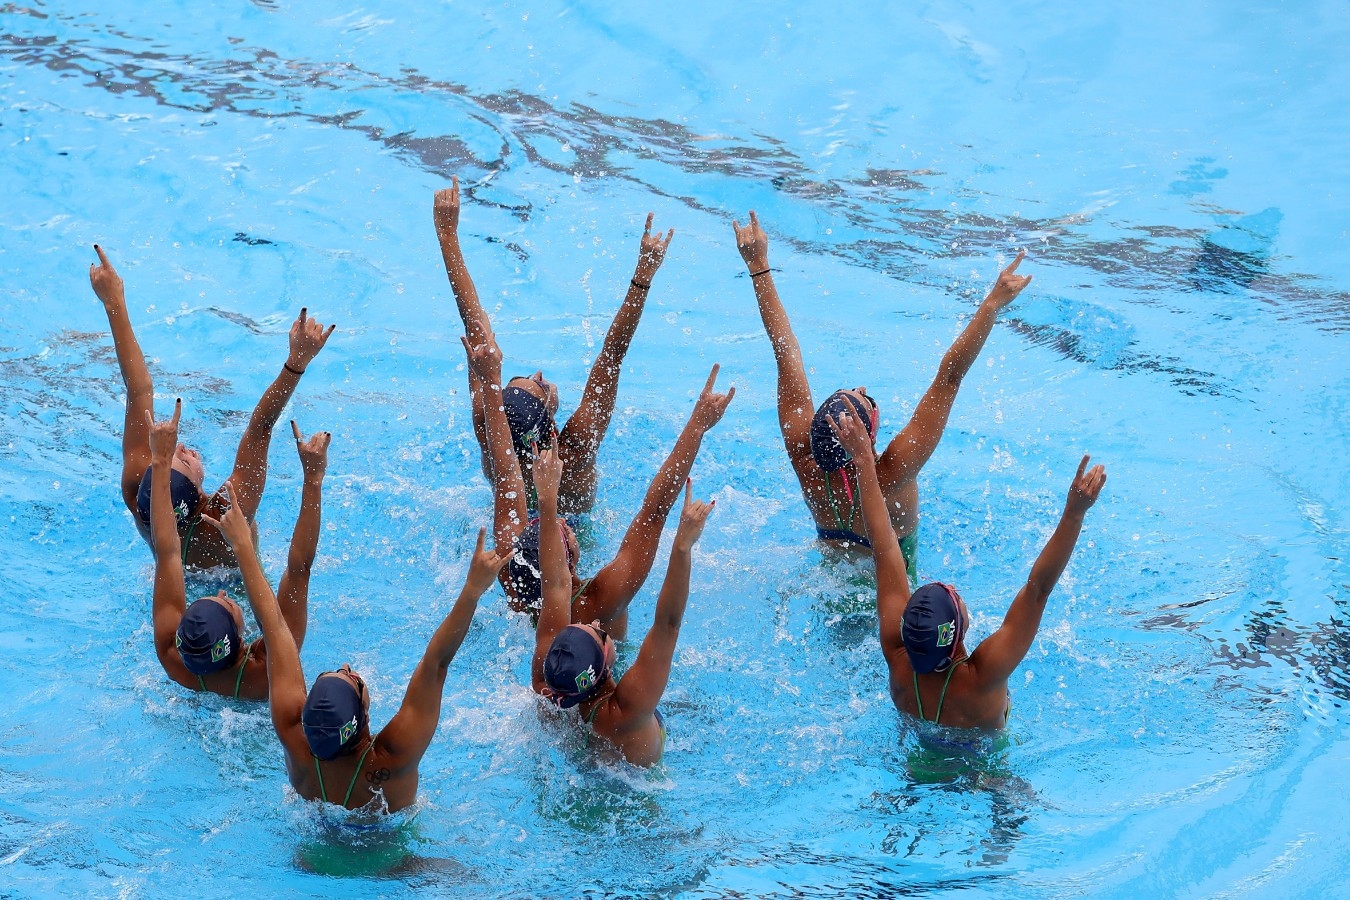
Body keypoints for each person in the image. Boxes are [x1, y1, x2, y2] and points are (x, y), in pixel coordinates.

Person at [732, 212, 1033, 580]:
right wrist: (990, 306)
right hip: (895, 612)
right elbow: (949, 378)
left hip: (832, 600)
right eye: (863, 398)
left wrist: (759, 267)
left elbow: (785, 353)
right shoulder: (895, 473)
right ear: (869, 432)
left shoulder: (805, 462)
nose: (861, 388)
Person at [204, 483, 509, 812]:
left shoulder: (295, 740)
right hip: (390, 860)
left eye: (337, 672)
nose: (348, 666)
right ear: (362, 719)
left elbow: (275, 625)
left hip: (312, 858)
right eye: (353, 679)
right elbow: (436, 664)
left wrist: (243, 548)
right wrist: (472, 590)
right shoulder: (394, 755)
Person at [828, 407, 1106, 730]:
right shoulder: (984, 675)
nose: (954, 590)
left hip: (918, 773)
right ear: (957, 635)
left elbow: (885, 546)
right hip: (984, 778)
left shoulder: (898, 659)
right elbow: (1039, 589)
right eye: (953, 597)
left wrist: (863, 461)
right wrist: (1074, 514)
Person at [463, 332, 732, 640]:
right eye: (563, 528)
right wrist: (698, 425)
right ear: (573, 560)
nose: (563, 520)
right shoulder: (603, 599)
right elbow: (654, 512)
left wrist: (491, 382)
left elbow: (507, 470)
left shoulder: (514, 584)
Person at [433, 176, 674, 514]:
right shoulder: (574, 450)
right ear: (549, 421)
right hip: (576, 545)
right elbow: (612, 354)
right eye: (539, 384)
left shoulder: (492, 442)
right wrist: (643, 276)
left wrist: (447, 238)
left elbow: (476, 330)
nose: (540, 373)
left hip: (518, 541)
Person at [89, 244, 334, 568]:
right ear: (201, 498)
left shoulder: (142, 500)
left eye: (168, 456)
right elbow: (260, 429)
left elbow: (138, 391)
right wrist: (296, 363)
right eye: (185, 461)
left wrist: (114, 304)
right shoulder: (224, 515)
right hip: (237, 597)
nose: (183, 448)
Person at [529, 443, 713, 767]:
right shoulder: (630, 706)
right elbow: (668, 624)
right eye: (599, 634)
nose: (598, 624)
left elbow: (556, 582)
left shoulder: (552, 681)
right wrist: (682, 547)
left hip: (588, 763)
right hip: (641, 793)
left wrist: (547, 501)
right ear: (605, 664)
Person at [144, 401, 326, 700]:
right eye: (227, 604)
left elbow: (167, 552)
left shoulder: (176, 661)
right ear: (241, 639)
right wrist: (313, 480)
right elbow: (299, 569)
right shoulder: (271, 668)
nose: (222, 594)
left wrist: (162, 462)